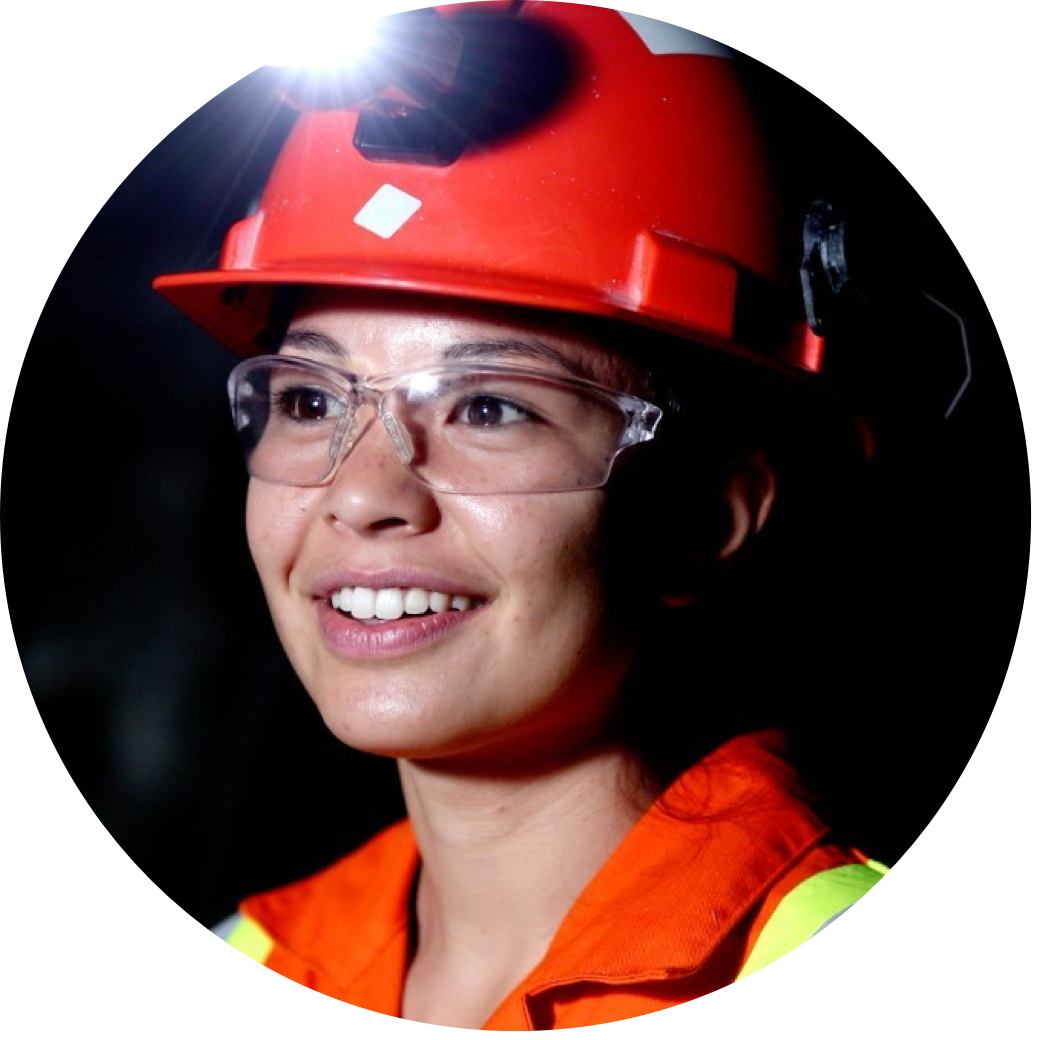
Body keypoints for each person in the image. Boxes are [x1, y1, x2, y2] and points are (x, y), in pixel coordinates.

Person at [153, 5, 889, 1027]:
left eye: (490, 408)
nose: (360, 494)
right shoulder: (264, 951)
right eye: (309, 401)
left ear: (707, 519)